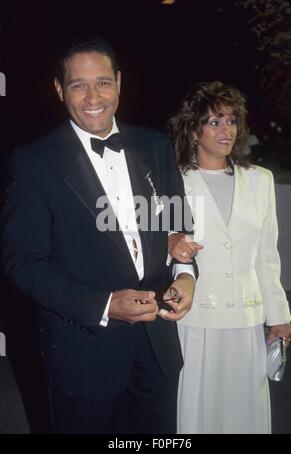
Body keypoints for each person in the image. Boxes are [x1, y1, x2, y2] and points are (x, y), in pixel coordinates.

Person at [1, 34, 197, 434]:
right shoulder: (32, 163)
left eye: (103, 82)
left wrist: (187, 275)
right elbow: (22, 261)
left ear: (119, 83)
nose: (93, 96)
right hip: (83, 352)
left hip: (157, 345)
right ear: (60, 90)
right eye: (78, 84)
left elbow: (179, 226)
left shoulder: (155, 146)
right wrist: (105, 305)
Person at [167, 81, 291, 434]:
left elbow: (267, 257)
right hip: (194, 319)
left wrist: (279, 317)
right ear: (193, 130)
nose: (226, 130)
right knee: (195, 412)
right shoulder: (172, 180)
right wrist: (168, 240)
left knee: (245, 413)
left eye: (232, 121)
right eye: (214, 122)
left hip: (246, 318)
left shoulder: (260, 180)